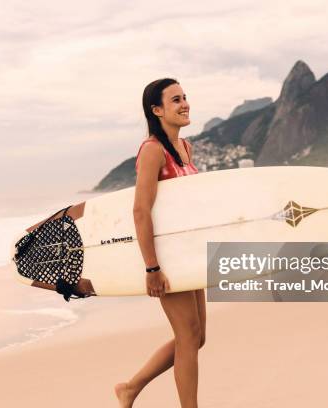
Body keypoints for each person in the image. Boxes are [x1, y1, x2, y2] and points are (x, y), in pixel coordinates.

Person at [114, 78, 204, 408]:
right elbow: (140, 210)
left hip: (189, 252)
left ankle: (130, 388)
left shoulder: (185, 148)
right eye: (176, 100)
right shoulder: (152, 151)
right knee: (188, 337)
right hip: (168, 256)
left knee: (197, 337)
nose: (185, 104)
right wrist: (152, 267)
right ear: (157, 110)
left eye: (185, 97)